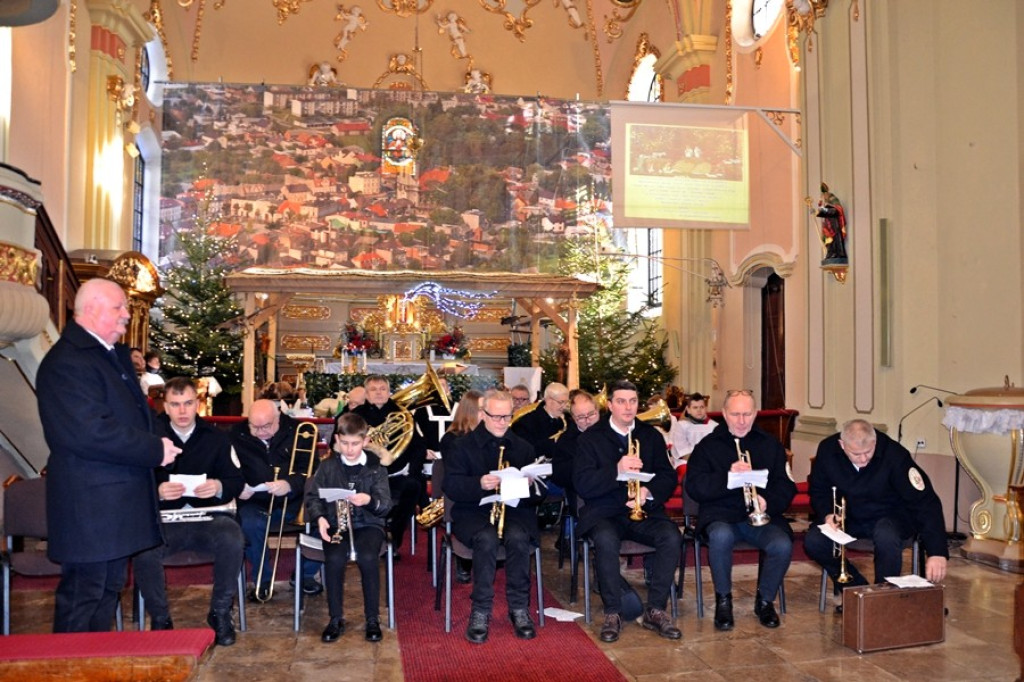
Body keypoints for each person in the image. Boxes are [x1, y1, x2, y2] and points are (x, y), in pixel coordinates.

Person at [36, 278, 181, 633]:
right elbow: (90, 432)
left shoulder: (108, 355)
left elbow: (137, 415)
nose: (127, 315)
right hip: (90, 508)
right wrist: (154, 449)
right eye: (119, 307)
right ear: (91, 309)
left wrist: (160, 438)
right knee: (84, 597)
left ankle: (96, 659)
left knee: (107, 591)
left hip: (113, 506)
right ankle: (67, 663)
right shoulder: (68, 361)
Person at [133, 376, 245, 645]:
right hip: (164, 520)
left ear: (198, 403)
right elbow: (131, 482)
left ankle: (220, 612)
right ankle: (160, 617)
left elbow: (236, 480)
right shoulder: (148, 438)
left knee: (232, 538)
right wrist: (157, 490)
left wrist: (218, 486)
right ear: (165, 406)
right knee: (143, 548)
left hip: (210, 517)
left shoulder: (217, 438)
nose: (182, 411)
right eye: (175, 404)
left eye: (188, 403)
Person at [574, 379, 682, 643]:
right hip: (605, 513)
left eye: (633, 401)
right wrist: (617, 470)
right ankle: (613, 611)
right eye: (621, 401)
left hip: (644, 511)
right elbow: (583, 483)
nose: (628, 407)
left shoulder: (651, 436)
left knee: (671, 536)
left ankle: (656, 610)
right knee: (605, 539)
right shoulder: (591, 438)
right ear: (610, 405)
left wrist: (648, 492)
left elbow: (668, 476)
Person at [804, 418, 949, 610]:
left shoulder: (894, 455)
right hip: (850, 519)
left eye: (868, 452)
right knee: (814, 540)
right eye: (856, 454)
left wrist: (937, 552)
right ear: (842, 445)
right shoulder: (828, 450)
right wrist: (827, 514)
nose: (863, 459)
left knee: (885, 535)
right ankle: (857, 591)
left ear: (875, 442)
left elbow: (925, 502)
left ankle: (882, 599)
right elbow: (818, 490)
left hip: (891, 518)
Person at [685, 389, 796, 631]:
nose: (742, 420)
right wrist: (727, 477)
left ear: (755, 414)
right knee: (720, 536)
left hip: (761, 516)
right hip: (720, 515)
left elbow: (786, 486)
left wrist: (767, 501)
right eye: (735, 414)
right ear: (724, 414)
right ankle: (724, 600)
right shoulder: (708, 446)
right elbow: (694, 486)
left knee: (782, 544)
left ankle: (765, 600)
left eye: (747, 414)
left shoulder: (770, 444)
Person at [443, 389, 544, 644]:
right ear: (482, 414)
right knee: (486, 538)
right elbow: (451, 486)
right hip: (473, 510)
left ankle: (519, 607)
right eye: (496, 416)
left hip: (514, 510)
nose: (502, 422)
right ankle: (480, 610)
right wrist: (478, 483)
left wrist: (529, 484)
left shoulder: (523, 447)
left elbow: (538, 496)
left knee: (518, 537)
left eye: (507, 416)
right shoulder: (461, 446)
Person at [306, 412, 392, 643]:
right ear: (337, 440)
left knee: (368, 557)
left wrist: (369, 501)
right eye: (344, 443)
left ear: (365, 441)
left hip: (369, 525)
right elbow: (313, 498)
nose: (349, 449)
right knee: (334, 559)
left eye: (355, 444)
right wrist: (320, 518)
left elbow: (385, 506)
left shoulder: (376, 468)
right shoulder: (328, 466)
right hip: (337, 524)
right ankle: (335, 618)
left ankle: (372, 618)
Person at [230, 398, 320, 599]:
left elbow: (311, 468)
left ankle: (305, 574)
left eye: (266, 426)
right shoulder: (236, 434)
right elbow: (228, 469)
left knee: (326, 520)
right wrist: (238, 487)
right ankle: (262, 581)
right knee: (249, 523)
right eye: (255, 427)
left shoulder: (301, 431)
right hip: (255, 501)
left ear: (278, 417)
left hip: (295, 500)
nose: (261, 431)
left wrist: (290, 484)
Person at [349, 375, 421, 558]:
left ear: (389, 392)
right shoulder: (353, 416)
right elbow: (339, 445)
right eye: (373, 389)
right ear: (366, 394)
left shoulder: (404, 415)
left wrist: (412, 471)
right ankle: (365, 539)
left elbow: (419, 448)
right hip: (363, 477)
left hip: (394, 476)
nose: (379, 393)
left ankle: (393, 540)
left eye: (383, 389)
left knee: (413, 486)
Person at [438, 389, 484, 584]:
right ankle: (465, 559)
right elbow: (457, 477)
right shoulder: (452, 439)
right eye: (482, 410)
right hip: (462, 497)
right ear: (470, 411)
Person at [511, 382, 569, 461]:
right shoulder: (525, 423)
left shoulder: (566, 420)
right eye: (561, 402)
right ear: (549, 401)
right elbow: (525, 452)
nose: (564, 406)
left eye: (566, 402)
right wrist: (554, 442)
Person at [670, 392, 718, 465]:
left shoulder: (715, 426)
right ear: (688, 409)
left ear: (706, 408)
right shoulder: (681, 426)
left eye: (702, 407)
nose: (699, 410)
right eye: (695, 407)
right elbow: (684, 453)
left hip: (710, 462)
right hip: (686, 463)